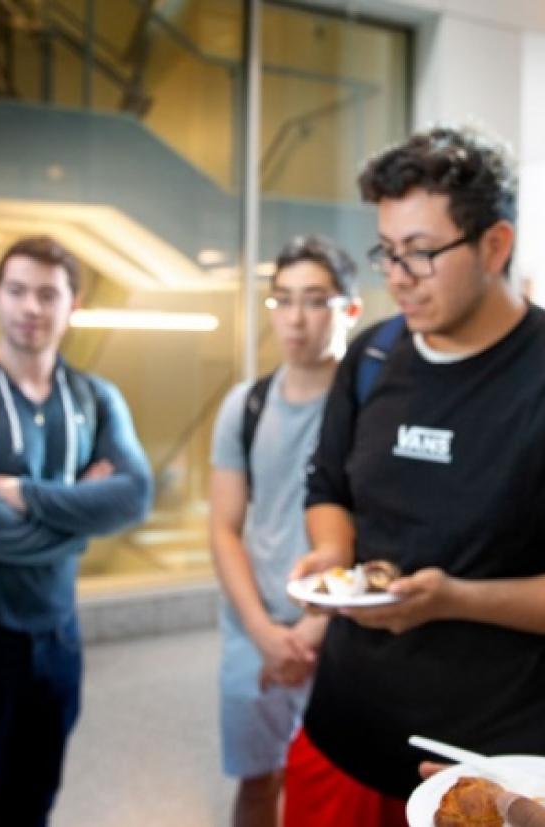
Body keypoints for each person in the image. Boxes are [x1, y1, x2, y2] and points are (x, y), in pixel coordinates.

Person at [285, 126, 545, 826]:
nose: (396, 276)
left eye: (421, 253)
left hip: (493, 773)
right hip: (342, 732)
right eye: (387, 252)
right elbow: (329, 489)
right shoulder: (373, 358)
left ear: (495, 245)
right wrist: (333, 559)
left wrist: (455, 598)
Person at [0, 235, 153, 827]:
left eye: (47, 294)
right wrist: (81, 516)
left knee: (32, 801)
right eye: (18, 291)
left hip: (56, 639)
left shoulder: (94, 398)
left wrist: (24, 495)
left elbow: (134, 495)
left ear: (72, 305)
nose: (32, 308)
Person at [208, 235, 361, 827]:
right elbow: (224, 528)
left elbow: (378, 530)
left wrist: (313, 629)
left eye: (315, 300)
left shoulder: (370, 409)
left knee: (329, 784)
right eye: (283, 300)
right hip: (256, 627)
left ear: (348, 308)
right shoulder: (246, 406)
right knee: (256, 781)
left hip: (343, 629)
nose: (296, 319)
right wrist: (265, 633)